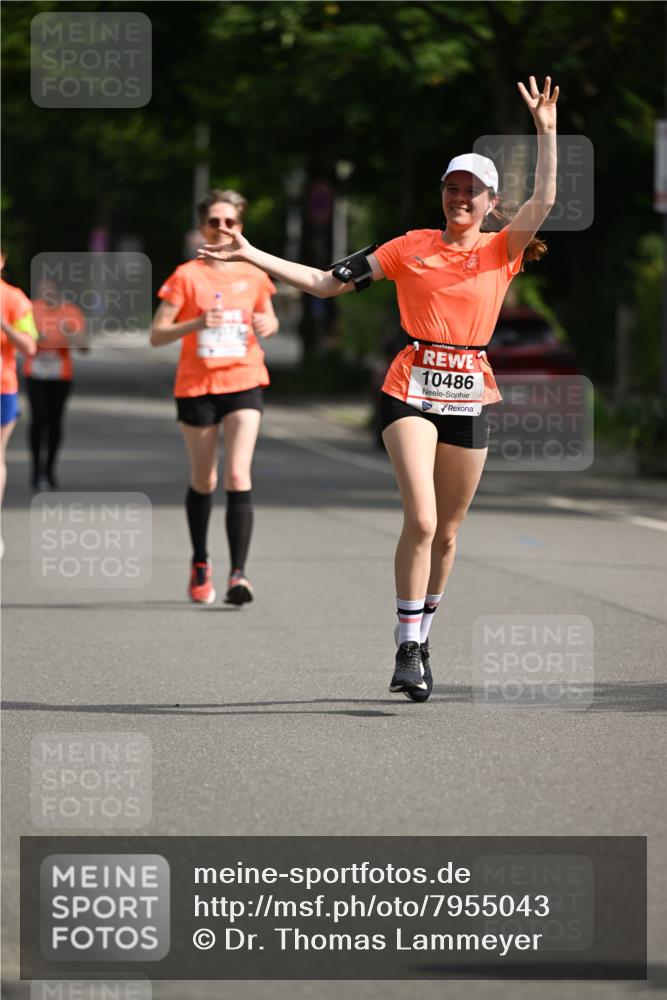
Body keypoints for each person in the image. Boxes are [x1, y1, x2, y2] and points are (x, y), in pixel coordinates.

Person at [199, 76, 558, 697]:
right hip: (410, 388)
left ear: (491, 201)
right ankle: (408, 647)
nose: (460, 198)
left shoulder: (503, 249)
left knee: (448, 532)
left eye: (471, 191)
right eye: (452, 188)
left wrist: (546, 133)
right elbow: (324, 282)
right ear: (441, 194)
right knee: (421, 518)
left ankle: (423, 631)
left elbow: (546, 199)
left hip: (469, 392)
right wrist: (253, 253)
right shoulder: (408, 247)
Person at [151, 188, 279, 606]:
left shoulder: (254, 272)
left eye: (230, 222)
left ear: (240, 226)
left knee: (238, 475)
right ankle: (200, 561)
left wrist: (268, 323)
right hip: (197, 386)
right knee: (204, 479)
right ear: (202, 226)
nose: (222, 228)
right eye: (214, 222)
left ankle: (238, 575)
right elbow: (157, 335)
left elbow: (269, 318)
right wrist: (196, 323)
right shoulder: (186, 276)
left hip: (244, 379)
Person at [24, 277, 88, 490]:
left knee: (54, 422)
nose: (46, 295)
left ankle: (49, 469)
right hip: (35, 374)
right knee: (37, 419)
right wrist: (35, 338)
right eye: (42, 291)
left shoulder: (71, 312)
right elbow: (20, 339)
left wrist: (70, 332)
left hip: (60, 376)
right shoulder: (30, 310)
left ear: (59, 292)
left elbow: (84, 347)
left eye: (50, 291)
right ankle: (35, 471)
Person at [1, 252, 38, 515]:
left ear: (2, 260)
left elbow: (29, 345)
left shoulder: (15, 299)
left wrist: (3, 324)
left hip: (2, 387)